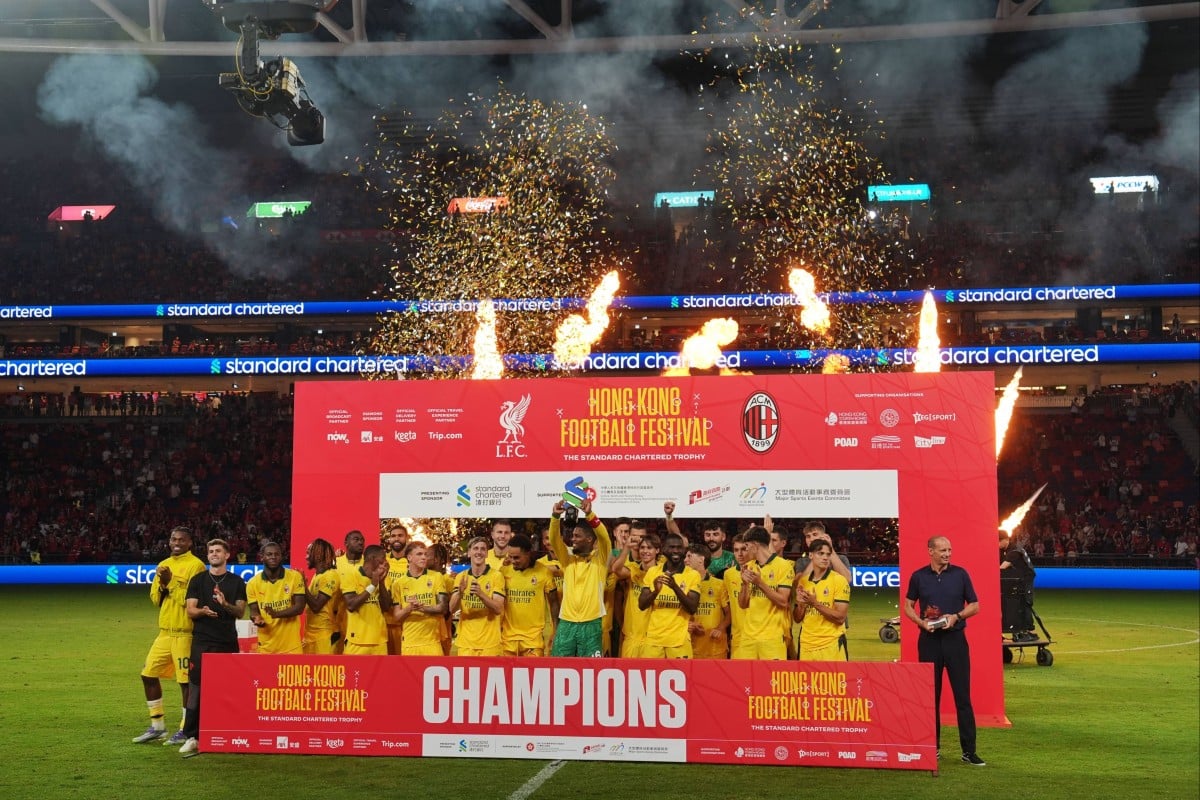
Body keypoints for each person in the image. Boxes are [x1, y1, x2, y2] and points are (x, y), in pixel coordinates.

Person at [903, 536, 985, 767]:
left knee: (963, 698)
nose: (947, 554)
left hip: (956, 641)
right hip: (928, 642)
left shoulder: (961, 574)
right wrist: (920, 622)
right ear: (930, 551)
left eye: (950, 549)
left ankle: (969, 751)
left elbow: (975, 606)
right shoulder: (919, 576)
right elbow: (908, 605)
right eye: (942, 550)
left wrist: (956, 616)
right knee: (930, 698)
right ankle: (932, 748)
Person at [133, 526, 206, 745]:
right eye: (174, 539)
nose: (177, 543)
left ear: (190, 543)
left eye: (182, 540)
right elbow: (155, 599)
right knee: (148, 674)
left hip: (185, 633)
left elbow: (193, 600)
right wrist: (164, 583)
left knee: (185, 683)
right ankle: (158, 726)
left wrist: (170, 582)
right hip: (165, 633)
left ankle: (185, 729)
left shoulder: (196, 566)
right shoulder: (163, 565)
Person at [178, 539, 247, 758]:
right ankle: (191, 737)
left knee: (226, 689)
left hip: (226, 642)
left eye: (218, 551)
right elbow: (190, 610)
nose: (213, 554)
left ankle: (224, 734)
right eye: (210, 551)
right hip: (202, 641)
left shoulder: (237, 582)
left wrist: (224, 604)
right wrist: (203, 611)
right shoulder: (198, 580)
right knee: (196, 689)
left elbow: (239, 612)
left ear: (227, 555)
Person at [547, 498, 612, 657]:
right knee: (558, 668)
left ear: (589, 539)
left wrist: (590, 515)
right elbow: (555, 540)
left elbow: (604, 537)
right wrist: (555, 517)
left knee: (592, 671)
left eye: (577, 536)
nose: (573, 540)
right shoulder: (568, 559)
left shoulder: (601, 559)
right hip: (566, 623)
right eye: (573, 536)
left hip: (592, 623)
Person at [733, 526, 793, 660]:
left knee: (772, 680)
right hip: (748, 636)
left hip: (772, 637)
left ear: (755, 545)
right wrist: (745, 584)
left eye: (747, 545)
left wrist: (759, 583)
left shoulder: (783, 566)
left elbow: (783, 601)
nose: (745, 550)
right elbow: (743, 604)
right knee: (746, 680)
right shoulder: (749, 566)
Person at [638, 533, 702, 658]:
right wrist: (655, 592)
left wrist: (675, 587)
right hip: (653, 640)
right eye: (672, 547)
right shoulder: (653, 572)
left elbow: (692, 608)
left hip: (679, 641)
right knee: (651, 678)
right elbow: (641, 605)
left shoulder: (693, 575)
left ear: (684, 550)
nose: (676, 551)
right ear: (663, 550)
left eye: (679, 547)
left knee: (684, 677)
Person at [501, 534, 560, 656]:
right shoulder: (504, 571)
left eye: (516, 557)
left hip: (533, 641)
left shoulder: (544, 572)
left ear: (528, 553)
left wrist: (556, 630)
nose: (513, 561)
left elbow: (554, 603)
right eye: (510, 557)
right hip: (507, 640)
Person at [793, 538, 850, 661]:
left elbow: (840, 618)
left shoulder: (839, 581)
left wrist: (814, 603)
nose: (825, 558)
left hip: (831, 644)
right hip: (806, 645)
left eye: (828, 554)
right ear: (811, 555)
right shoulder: (803, 582)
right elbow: (797, 619)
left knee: (835, 681)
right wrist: (801, 605)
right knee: (807, 681)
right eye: (820, 553)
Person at [246, 542, 307, 654]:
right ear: (262, 557)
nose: (273, 557)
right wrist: (257, 619)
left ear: (281, 556)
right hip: (266, 647)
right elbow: (254, 611)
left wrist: (276, 613)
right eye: (269, 554)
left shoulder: (295, 577)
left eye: (276, 554)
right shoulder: (252, 583)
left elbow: (299, 607)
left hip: (291, 647)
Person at [390, 541, 449, 656]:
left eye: (425, 554)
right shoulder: (398, 583)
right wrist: (410, 608)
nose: (424, 557)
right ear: (409, 557)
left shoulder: (436, 577)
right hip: (409, 644)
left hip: (432, 643)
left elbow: (443, 608)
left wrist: (421, 607)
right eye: (419, 554)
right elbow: (397, 617)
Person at [451, 536, 506, 656]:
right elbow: (451, 609)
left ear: (487, 553)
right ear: (469, 552)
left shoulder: (496, 576)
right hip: (466, 644)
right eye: (475, 548)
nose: (479, 552)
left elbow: (498, 609)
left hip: (490, 644)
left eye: (483, 549)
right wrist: (459, 593)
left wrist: (481, 594)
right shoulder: (461, 577)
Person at [341, 544, 393, 655]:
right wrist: (372, 586)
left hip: (380, 640)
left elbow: (386, 607)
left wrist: (381, 582)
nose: (385, 562)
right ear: (372, 559)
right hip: (357, 641)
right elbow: (351, 605)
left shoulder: (382, 577)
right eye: (382, 558)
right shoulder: (351, 575)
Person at [615, 531, 660, 657]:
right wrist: (626, 548)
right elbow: (616, 569)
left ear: (657, 550)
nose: (645, 551)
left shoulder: (662, 573)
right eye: (642, 547)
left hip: (653, 639)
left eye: (649, 548)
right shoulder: (634, 570)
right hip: (631, 636)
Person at [686, 544, 730, 659]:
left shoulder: (719, 584)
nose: (685, 560)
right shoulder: (682, 584)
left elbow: (730, 614)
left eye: (689, 556)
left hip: (716, 648)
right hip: (691, 647)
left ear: (701, 559)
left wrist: (720, 628)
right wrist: (687, 625)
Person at [302, 537, 341, 654]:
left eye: (308, 553)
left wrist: (303, 586)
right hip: (311, 635)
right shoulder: (317, 575)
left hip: (325, 636)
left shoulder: (330, 576)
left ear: (318, 555)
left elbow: (316, 606)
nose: (306, 557)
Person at [1000, 532, 1037, 641]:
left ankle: (1028, 631)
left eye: (998, 541)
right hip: (1018, 580)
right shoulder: (1008, 550)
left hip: (1025, 580)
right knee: (1015, 603)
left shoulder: (1014, 551)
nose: (997, 544)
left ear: (1005, 540)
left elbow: (1001, 568)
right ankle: (1018, 630)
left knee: (1025, 603)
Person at [333, 530, 366, 652]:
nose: (360, 542)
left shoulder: (368, 563)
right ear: (346, 543)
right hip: (339, 619)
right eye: (356, 539)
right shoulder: (336, 562)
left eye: (362, 540)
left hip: (362, 620)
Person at [722, 534, 751, 655]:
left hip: (758, 635)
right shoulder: (728, 574)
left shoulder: (760, 572)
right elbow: (727, 606)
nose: (740, 554)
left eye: (744, 549)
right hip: (737, 636)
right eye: (736, 550)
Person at [384, 525, 410, 654]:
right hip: (385, 622)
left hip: (406, 623)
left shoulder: (412, 562)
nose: (396, 539)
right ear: (389, 539)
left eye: (400, 535)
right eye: (393, 536)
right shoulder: (383, 560)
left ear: (407, 538)